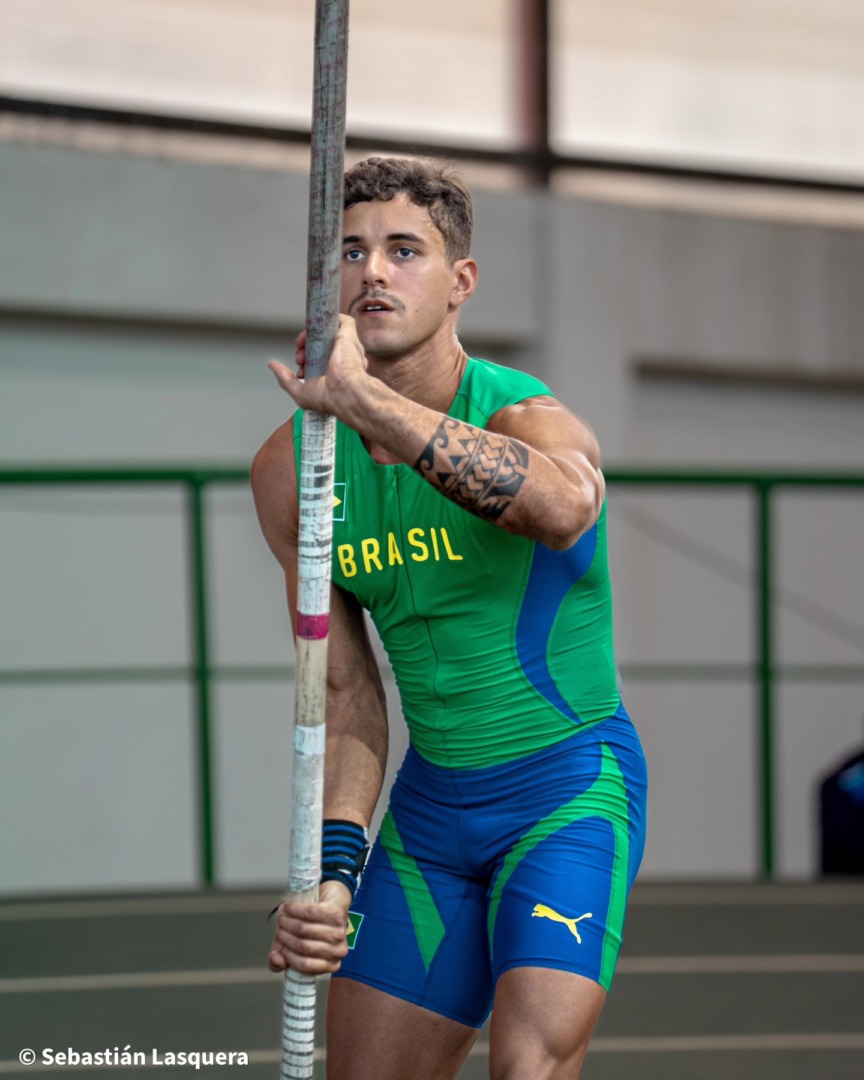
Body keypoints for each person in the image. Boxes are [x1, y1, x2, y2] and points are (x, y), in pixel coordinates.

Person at [251, 156, 647, 1080]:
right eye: (350, 251)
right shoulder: (291, 472)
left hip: (567, 795)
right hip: (430, 816)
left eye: (403, 250)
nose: (373, 272)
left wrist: (365, 402)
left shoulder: (529, 417)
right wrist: (334, 869)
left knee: (528, 1065)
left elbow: (559, 509)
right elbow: (346, 692)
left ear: (460, 281)